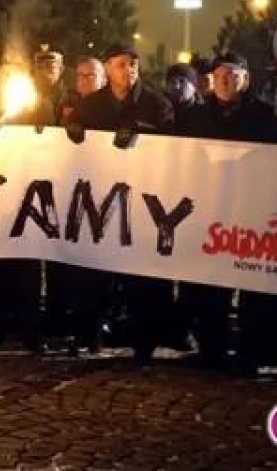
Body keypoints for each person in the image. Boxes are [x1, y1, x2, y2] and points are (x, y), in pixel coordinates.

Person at [67, 44, 176, 365]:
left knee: (140, 276)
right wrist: (72, 130)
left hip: (142, 200)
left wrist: (144, 133)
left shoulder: (156, 104)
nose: (127, 70)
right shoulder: (91, 105)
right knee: (94, 272)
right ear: (108, 68)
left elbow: (174, 142)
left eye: (132, 65)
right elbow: (71, 139)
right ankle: (90, 333)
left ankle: (144, 341)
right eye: (120, 65)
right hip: (99, 199)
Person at [183, 52, 277, 372]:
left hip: (251, 211)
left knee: (251, 286)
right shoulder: (196, 115)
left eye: (233, 75)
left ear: (246, 79)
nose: (226, 81)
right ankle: (211, 349)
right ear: (212, 80)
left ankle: (250, 352)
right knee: (209, 284)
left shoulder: (267, 115)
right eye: (221, 76)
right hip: (209, 209)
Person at [0, 61, 57, 349]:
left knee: (26, 266)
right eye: (3, 75)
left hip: (26, 197)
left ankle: (29, 327)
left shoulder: (40, 107)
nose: (7, 80)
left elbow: (49, 141)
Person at [165, 63, 202, 134]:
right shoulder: (161, 111)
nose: (177, 86)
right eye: (173, 82)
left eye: (182, 81)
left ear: (194, 87)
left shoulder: (204, 114)